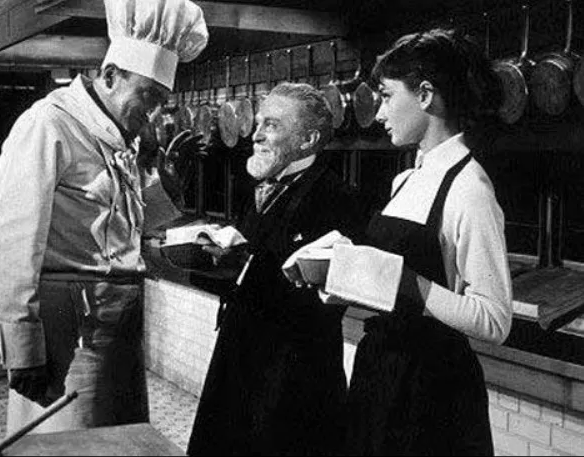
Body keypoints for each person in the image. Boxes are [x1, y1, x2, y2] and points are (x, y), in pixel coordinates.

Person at [0, 0, 208, 434]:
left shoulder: (119, 137)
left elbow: (119, 230)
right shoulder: (49, 125)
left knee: (120, 440)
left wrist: (167, 185)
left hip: (119, 330)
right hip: (71, 326)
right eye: (148, 96)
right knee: (69, 441)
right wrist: (23, 345)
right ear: (110, 76)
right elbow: (8, 241)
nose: (154, 115)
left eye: (162, 102)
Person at [296, 28, 512, 455]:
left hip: (434, 391)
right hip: (380, 371)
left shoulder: (469, 189)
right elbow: (390, 287)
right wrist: (336, 275)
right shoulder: (407, 178)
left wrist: (407, 282)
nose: (379, 114)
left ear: (426, 95)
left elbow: (494, 320)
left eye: (387, 96)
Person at [187, 82, 375, 456]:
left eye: (271, 125)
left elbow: (326, 299)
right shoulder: (259, 188)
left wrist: (246, 266)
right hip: (240, 356)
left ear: (308, 140)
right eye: (258, 123)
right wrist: (214, 262)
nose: (255, 135)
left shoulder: (337, 198)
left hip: (294, 375)